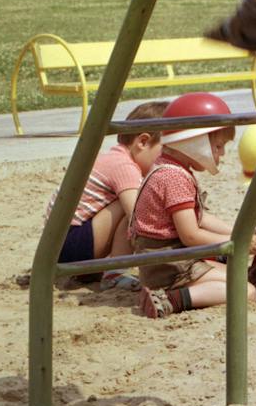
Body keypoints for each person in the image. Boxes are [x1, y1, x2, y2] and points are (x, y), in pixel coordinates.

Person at [129, 93, 256, 318]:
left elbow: (201, 218)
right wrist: (238, 243)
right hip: (168, 266)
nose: (222, 154)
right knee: (245, 291)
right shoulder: (173, 177)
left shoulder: (171, 167)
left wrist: (240, 233)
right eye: (218, 146)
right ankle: (170, 300)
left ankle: (178, 291)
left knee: (239, 275)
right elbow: (191, 235)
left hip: (171, 258)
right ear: (193, 141)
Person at [45, 101, 169, 291]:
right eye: (166, 151)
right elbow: (140, 216)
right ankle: (115, 273)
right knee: (133, 208)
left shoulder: (115, 158)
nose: (166, 160)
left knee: (138, 203)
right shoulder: (123, 166)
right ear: (142, 142)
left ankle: (103, 268)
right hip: (70, 247)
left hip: (58, 246)